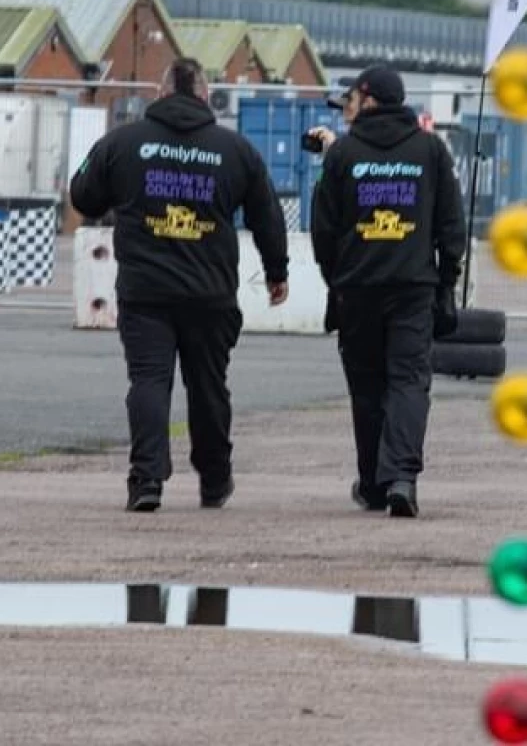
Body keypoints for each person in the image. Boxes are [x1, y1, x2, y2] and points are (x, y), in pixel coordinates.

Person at [70, 57, 289, 512]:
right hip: (210, 291)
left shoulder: (123, 142)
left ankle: (146, 479)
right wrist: (276, 272)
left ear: (161, 92)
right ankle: (214, 478)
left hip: (145, 290)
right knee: (208, 386)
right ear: (206, 95)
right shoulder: (236, 150)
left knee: (149, 380)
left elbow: (83, 195)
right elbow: (268, 215)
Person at [308, 66, 465, 518]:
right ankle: (401, 478)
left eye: (352, 97)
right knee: (409, 381)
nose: (349, 105)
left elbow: (324, 228)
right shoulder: (430, 150)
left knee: (367, 386)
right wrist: (446, 280)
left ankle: (376, 485)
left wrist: (336, 278)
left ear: (370, 98)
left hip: (357, 287)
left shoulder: (343, 153)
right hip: (413, 287)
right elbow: (451, 224)